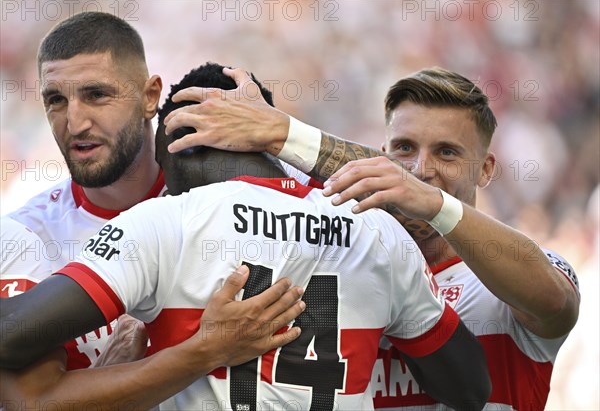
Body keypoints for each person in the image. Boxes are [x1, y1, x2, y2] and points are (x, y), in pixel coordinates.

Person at [1, 63, 491, 410]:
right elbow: (470, 389)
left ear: (171, 155)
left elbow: (13, 338)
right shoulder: (377, 227)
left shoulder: (162, 221)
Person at [161, 66, 580, 410]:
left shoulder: (512, 276)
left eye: (447, 153)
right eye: (403, 149)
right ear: (382, 152)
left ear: (486, 169)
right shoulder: (331, 259)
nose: (420, 169)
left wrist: (285, 134)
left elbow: (554, 302)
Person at [3, 11, 302, 371]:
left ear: (150, 96)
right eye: (56, 100)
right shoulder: (25, 238)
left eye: (97, 95)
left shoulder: (241, 197)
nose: (75, 123)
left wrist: (288, 134)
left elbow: (379, 189)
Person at [0, 218, 304, 409]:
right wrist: (206, 351)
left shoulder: (10, 241)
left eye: (97, 107)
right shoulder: (28, 224)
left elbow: (30, 401)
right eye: (55, 108)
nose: (76, 121)